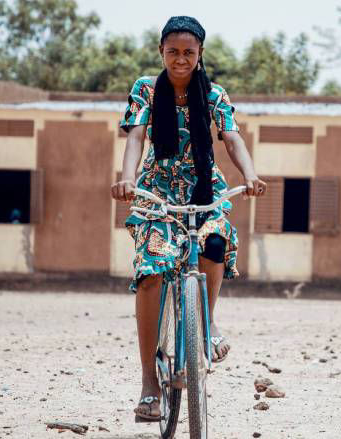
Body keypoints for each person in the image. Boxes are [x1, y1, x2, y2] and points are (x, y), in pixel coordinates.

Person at [110, 16, 267, 421]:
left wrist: (249, 175)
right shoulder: (145, 89)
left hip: (203, 189)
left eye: (189, 52)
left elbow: (231, 137)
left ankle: (207, 322)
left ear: (199, 55)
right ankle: (149, 384)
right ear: (161, 51)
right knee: (152, 272)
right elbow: (135, 135)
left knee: (214, 243)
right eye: (173, 51)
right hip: (157, 192)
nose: (181, 59)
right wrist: (127, 178)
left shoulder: (213, 94)